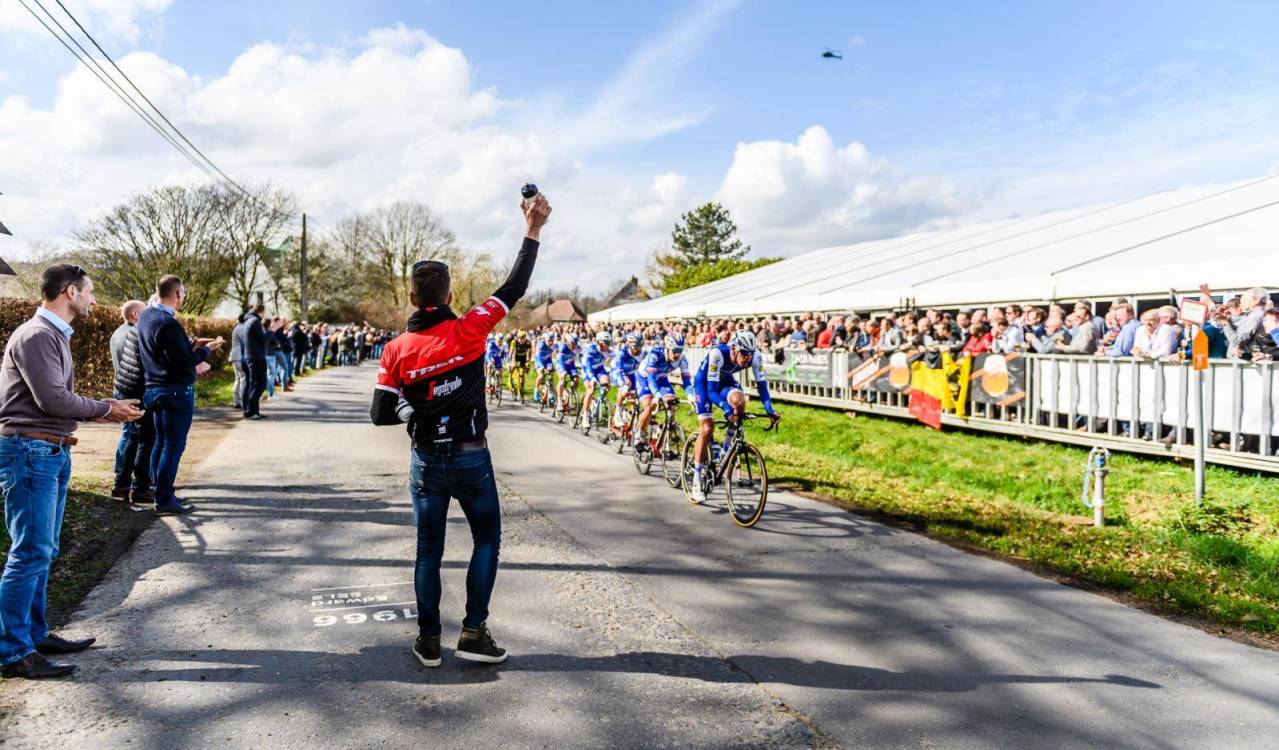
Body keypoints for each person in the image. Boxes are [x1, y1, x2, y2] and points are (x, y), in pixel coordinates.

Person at [370, 193, 550, 669]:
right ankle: (473, 631)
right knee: (486, 539)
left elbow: (379, 414)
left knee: (428, 551)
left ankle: (429, 641)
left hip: (426, 459)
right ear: (449, 297)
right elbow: (514, 287)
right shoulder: (471, 327)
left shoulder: (395, 350)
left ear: (412, 298)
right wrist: (532, 230)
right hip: (472, 455)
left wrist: (416, 414)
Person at [0, 264, 143, 679]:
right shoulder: (37, 335)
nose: (95, 299)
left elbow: (57, 399)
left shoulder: (52, 335)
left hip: (49, 451)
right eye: (90, 291)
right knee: (29, 552)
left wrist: (102, 411)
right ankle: (12, 652)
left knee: (43, 550)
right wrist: (106, 408)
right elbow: (52, 400)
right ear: (69, 292)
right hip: (31, 452)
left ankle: (34, 634)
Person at [136, 275, 224, 515]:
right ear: (176, 294)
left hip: (153, 387)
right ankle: (164, 498)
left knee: (161, 442)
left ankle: (159, 490)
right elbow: (183, 361)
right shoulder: (168, 323)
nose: (183, 297)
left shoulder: (145, 317)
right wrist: (207, 350)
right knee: (173, 445)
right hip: (174, 390)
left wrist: (193, 344)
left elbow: (166, 352)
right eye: (183, 293)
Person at [688, 330, 779, 503]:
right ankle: (697, 478)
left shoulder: (755, 356)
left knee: (739, 403)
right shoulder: (717, 354)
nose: (748, 358)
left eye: (750, 355)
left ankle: (724, 449)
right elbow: (711, 391)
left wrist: (769, 409)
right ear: (735, 349)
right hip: (705, 384)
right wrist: (724, 408)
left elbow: (762, 385)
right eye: (744, 354)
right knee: (707, 427)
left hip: (726, 381)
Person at [109, 300, 154, 504]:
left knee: (128, 435)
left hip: (121, 388)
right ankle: (140, 486)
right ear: (136, 315)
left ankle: (121, 482)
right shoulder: (135, 334)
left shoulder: (117, 333)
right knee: (144, 438)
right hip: (136, 391)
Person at [634, 334, 691, 451]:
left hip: (661, 379)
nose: (677, 354)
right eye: (674, 351)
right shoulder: (655, 354)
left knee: (672, 404)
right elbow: (651, 378)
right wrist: (657, 394)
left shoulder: (682, 359)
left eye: (680, 351)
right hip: (645, 378)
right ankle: (639, 433)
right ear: (667, 348)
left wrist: (691, 396)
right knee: (649, 406)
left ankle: (666, 436)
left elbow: (687, 381)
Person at [242, 304, 268, 419]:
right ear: (261, 311)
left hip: (250, 355)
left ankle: (254, 411)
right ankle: (249, 411)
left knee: (254, 384)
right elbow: (262, 339)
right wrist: (271, 331)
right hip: (256, 356)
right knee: (260, 384)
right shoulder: (255, 321)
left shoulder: (248, 320)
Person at [230, 313, 247, 410]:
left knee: (238, 378)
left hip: (234, 356)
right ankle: (244, 402)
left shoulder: (237, 327)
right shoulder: (242, 328)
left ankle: (236, 401)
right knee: (243, 378)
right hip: (239, 356)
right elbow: (245, 341)